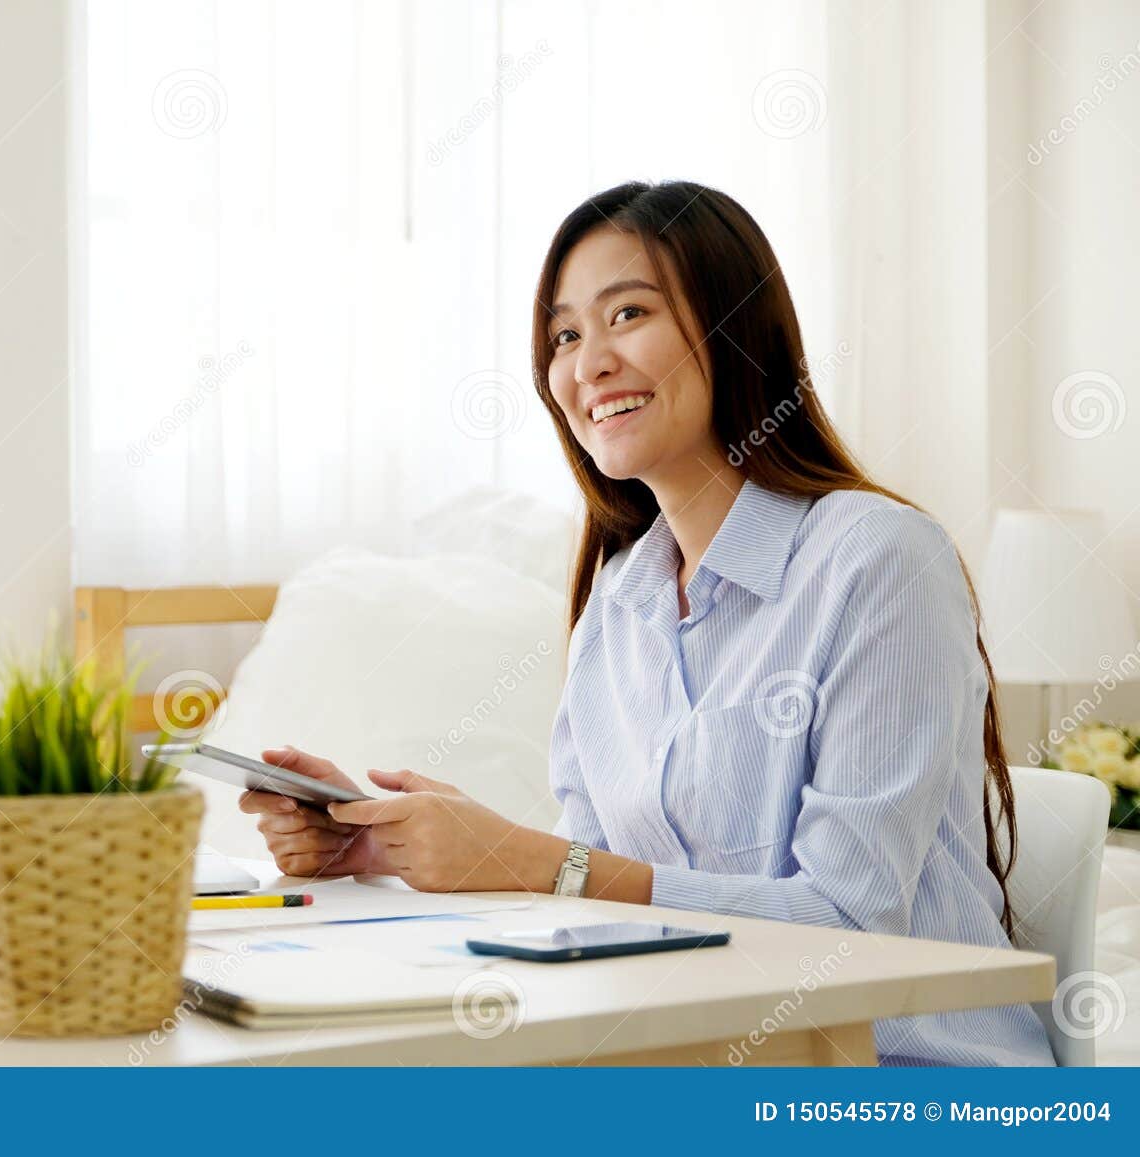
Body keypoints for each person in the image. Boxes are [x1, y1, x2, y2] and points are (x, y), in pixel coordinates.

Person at [239, 180, 1054, 1067]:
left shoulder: (880, 559)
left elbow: (848, 922)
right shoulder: (617, 603)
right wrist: (392, 839)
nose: (587, 362)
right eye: (563, 335)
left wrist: (534, 860)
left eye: (627, 313)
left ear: (733, 324)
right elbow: (595, 892)